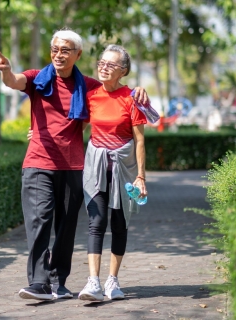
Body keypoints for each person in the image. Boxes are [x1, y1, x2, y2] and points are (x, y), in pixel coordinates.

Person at [0, 29, 148, 301]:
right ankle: (39, 283)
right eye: (55, 49)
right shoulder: (37, 79)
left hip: (75, 166)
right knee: (39, 219)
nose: (58, 54)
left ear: (78, 54)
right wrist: (6, 71)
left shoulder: (88, 85)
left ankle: (58, 283)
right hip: (38, 162)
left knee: (66, 227)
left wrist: (138, 91)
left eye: (65, 50)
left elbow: (113, 97)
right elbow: (14, 81)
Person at [77, 44, 148, 302]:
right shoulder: (92, 95)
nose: (103, 68)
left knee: (119, 224)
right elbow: (77, 130)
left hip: (124, 171)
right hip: (95, 167)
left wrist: (141, 176)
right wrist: (41, 135)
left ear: (123, 71)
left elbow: (140, 140)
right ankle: (93, 282)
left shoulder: (132, 98)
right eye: (101, 63)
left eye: (111, 65)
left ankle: (112, 281)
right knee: (96, 223)